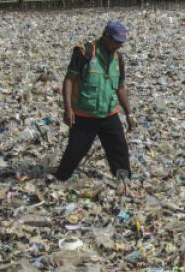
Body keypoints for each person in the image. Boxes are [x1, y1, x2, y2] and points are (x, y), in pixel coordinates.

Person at [53, 21, 136, 192]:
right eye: (116, 41)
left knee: (119, 148)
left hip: (108, 113)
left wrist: (129, 114)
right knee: (75, 151)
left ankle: (123, 179)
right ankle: (61, 178)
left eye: (121, 42)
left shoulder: (117, 58)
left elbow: (120, 88)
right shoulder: (85, 52)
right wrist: (68, 109)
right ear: (106, 37)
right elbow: (69, 80)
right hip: (85, 114)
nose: (119, 45)